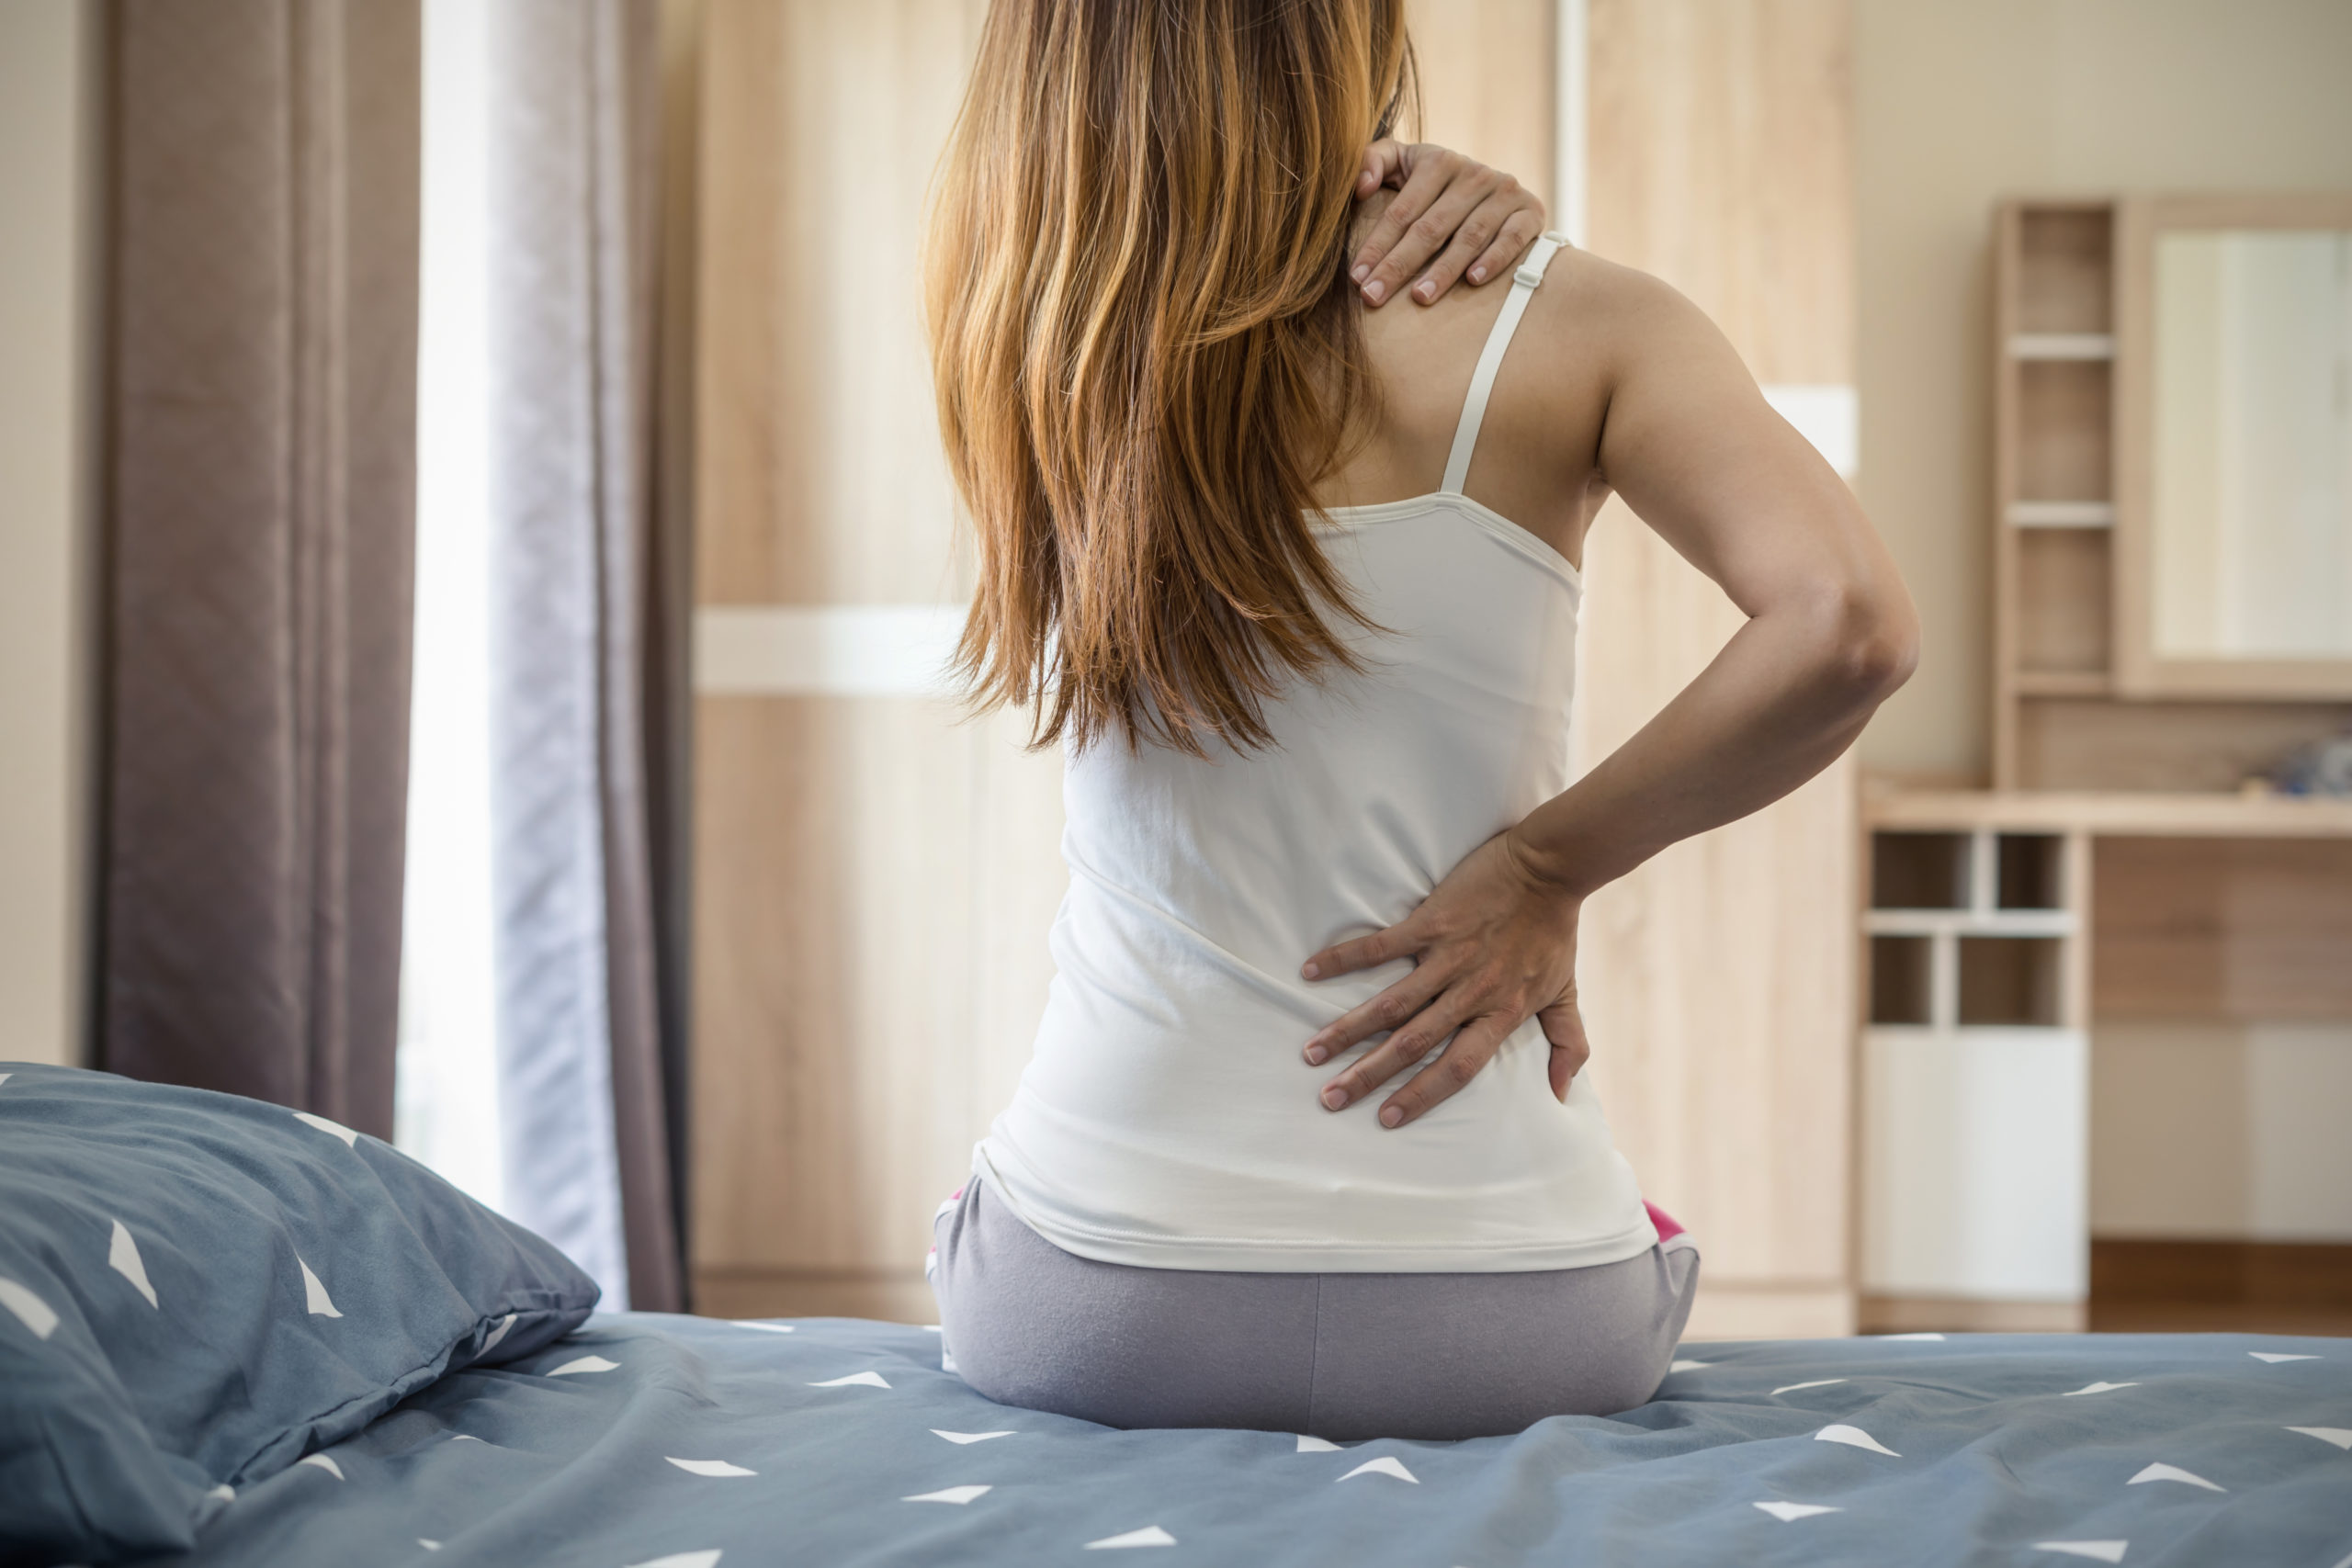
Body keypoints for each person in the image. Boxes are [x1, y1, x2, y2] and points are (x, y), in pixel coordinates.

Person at [922, 0, 1917, 1442]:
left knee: (986, 1202)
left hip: (1095, 1302)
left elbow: (1202, 262)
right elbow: (1850, 621)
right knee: (1624, 1215)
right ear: (1343, 47)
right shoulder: (1577, 320)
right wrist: (1541, 873)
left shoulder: (1023, 336)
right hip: (1517, 1317)